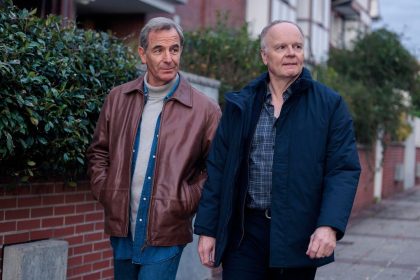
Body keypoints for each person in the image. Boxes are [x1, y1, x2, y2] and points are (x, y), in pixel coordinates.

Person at [194, 20, 361, 280]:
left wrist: (329, 226)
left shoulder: (330, 106)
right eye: (281, 47)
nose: (291, 52)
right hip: (244, 235)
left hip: (298, 235)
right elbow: (218, 170)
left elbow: (343, 170)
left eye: (297, 46)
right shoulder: (242, 104)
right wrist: (208, 229)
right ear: (264, 55)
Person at [87, 17, 221, 280]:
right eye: (159, 50)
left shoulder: (205, 110)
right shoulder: (118, 98)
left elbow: (216, 170)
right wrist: (107, 191)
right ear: (142, 53)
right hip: (123, 228)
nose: (168, 58)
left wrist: (184, 199)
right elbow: (98, 152)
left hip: (168, 229)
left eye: (174, 49)